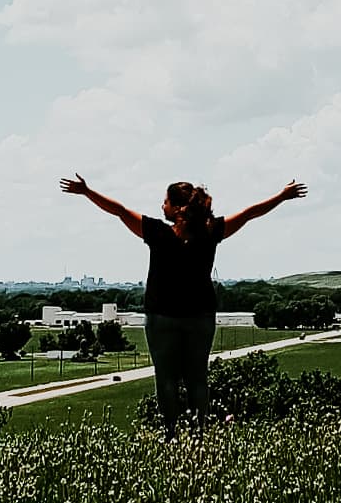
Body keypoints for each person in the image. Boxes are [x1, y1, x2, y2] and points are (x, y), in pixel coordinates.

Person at [58, 173, 307, 430]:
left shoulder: (156, 232)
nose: (162, 206)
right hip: (200, 317)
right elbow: (249, 213)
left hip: (161, 318)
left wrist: (87, 192)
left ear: (177, 208)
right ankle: (198, 433)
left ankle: (171, 434)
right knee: (198, 379)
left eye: (165, 202)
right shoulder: (211, 231)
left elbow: (120, 211)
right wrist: (281, 196)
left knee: (166, 378)